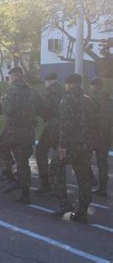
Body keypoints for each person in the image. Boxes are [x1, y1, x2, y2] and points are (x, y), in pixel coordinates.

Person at [50, 74, 98, 223]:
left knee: (55, 168)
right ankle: (82, 213)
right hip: (87, 145)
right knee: (83, 178)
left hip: (71, 144)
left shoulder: (67, 99)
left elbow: (65, 124)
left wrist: (62, 145)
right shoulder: (89, 101)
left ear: (69, 85)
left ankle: (64, 203)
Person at [0, 67, 36, 204]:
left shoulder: (12, 89)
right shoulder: (31, 91)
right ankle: (25, 194)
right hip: (27, 130)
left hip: (13, 129)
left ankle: (10, 178)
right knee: (23, 162)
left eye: (10, 77)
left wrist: (3, 103)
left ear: (14, 76)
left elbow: (10, 110)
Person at [35, 73, 64, 195]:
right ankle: (59, 185)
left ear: (49, 81)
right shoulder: (64, 91)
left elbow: (43, 109)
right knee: (60, 156)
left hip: (52, 125)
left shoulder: (48, 93)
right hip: (65, 128)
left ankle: (45, 182)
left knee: (41, 151)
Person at [89, 77, 112, 197]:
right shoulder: (110, 101)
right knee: (103, 164)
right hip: (106, 137)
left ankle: (91, 180)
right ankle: (102, 188)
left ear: (95, 86)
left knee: (82, 159)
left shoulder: (91, 100)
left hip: (92, 136)